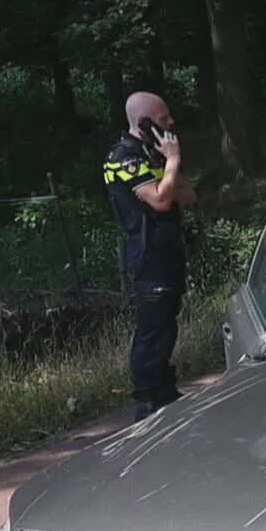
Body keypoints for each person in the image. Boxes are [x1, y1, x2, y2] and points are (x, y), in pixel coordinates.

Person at [104, 91, 197, 422]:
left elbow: (187, 194)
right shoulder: (124, 158)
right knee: (152, 327)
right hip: (147, 253)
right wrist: (172, 162)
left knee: (168, 323)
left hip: (168, 248)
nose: (170, 123)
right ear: (142, 122)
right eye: (162, 119)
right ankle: (146, 399)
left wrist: (169, 169)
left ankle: (164, 389)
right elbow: (160, 201)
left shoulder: (151, 154)